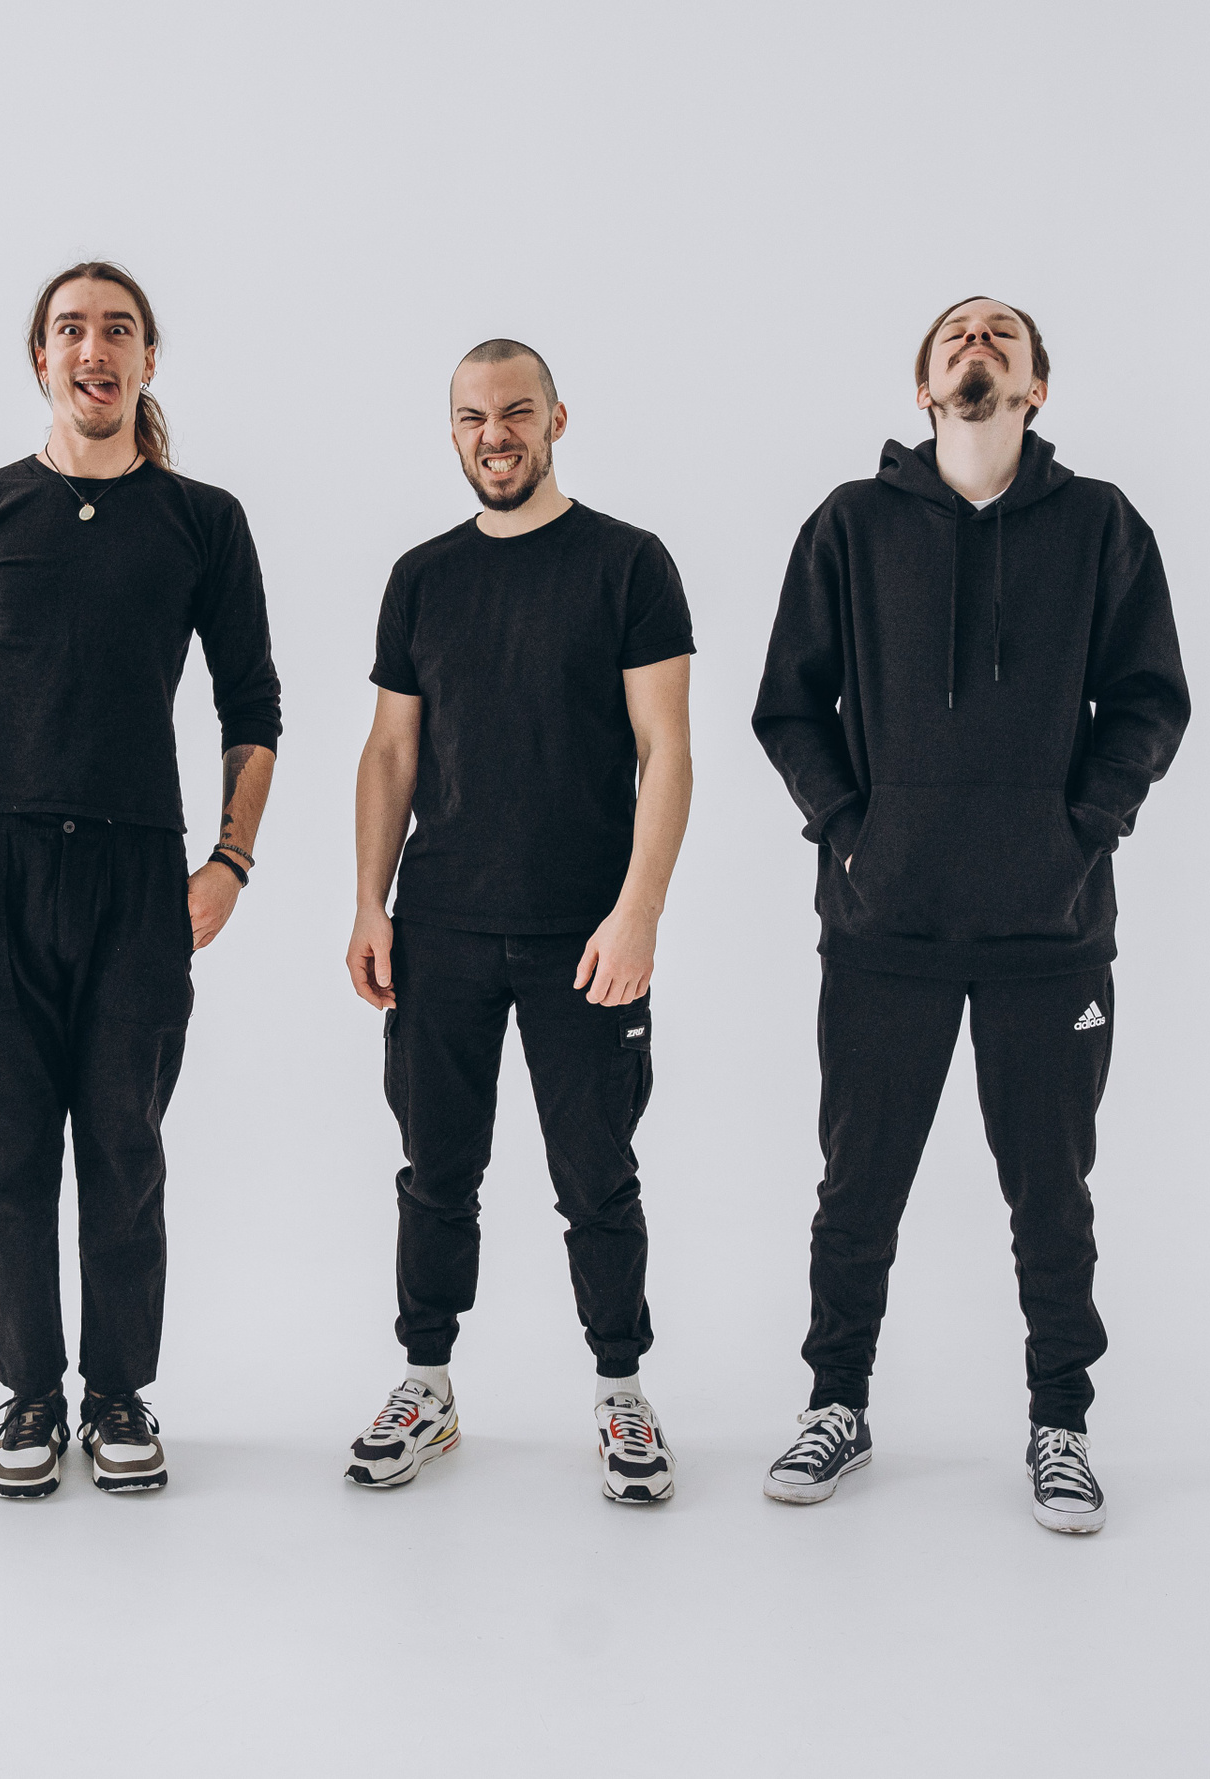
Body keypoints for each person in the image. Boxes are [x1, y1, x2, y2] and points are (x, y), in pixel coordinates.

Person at [752, 296, 1190, 1533]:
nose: (978, 344)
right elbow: (789, 705)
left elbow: (1151, 700)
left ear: (1037, 386)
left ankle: (1062, 1424)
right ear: (924, 386)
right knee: (859, 1185)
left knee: (1052, 1192)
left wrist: (1081, 830)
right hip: (883, 926)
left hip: (1050, 932)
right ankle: (836, 1404)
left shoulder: (1101, 525)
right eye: (957, 335)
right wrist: (853, 832)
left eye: (1004, 335)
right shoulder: (852, 524)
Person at [0, 262, 282, 1498]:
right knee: (5, 1157)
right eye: (71, 330)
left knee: (124, 1147)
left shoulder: (202, 521)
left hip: (136, 871)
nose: (93, 349)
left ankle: (117, 1393)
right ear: (41, 359)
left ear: (147, 360)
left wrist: (230, 861)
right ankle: (27, 1394)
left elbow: (252, 702)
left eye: (118, 331)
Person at [343, 340, 695, 1502]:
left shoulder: (628, 564)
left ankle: (621, 1391)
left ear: (556, 420)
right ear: (453, 430)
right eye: (472, 416)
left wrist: (638, 913)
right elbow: (391, 751)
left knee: (597, 1175)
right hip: (440, 925)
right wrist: (370, 903)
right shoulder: (422, 577)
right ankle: (427, 1385)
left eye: (516, 412)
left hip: (583, 933)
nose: (494, 434)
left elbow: (667, 750)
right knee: (435, 1171)